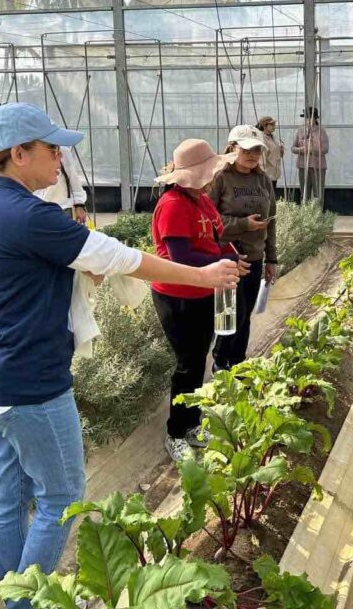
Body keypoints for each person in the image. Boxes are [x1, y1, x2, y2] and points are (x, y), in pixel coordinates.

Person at [0, 104, 238, 604]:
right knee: (61, 495)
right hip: (26, 383)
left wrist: (74, 270)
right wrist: (205, 277)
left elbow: (25, 270)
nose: (61, 157)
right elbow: (117, 256)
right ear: (19, 154)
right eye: (52, 148)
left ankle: (16, 594)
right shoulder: (28, 212)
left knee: (10, 496)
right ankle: (27, 601)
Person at [150, 138, 250, 462]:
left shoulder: (201, 201)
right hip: (178, 296)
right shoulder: (173, 205)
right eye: (207, 174)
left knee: (198, 361)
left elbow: (214, 242)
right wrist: (221, 265)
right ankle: (176, 432)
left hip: (206, 290)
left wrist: (233, 257)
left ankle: (192, 424)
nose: (211, 180)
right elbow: (180, 258)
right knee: (188, 364)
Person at [211, 125, 278, 372]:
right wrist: (242, 224)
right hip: (227, 257)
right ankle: (220, 362)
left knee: (245, 314)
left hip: (254, 256)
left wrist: (272, 259)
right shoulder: (220, 178)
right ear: (232, 148)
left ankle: (238, 362)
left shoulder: (263, 180)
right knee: (229, 313)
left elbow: (272, 221)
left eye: (257, 150)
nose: (252, 155)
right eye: (246, 149)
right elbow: (209, 219)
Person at [0, 100, 89, 223]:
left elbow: (72, 176)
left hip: (61, 206)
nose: (59, 155)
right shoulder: (25, 215)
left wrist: (79, 204)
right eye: (52, 147)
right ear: (19, 155)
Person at [292, 106, 329, 204]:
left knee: (318, 192)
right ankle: (305, 214)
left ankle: (318, 213)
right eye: (307, 118)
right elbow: (293, 148)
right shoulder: (300, 130)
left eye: (311, 117)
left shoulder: (321, 131)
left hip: (318, 166)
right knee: (304, 192)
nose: (309, 120)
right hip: (303, 165)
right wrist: (302, 150)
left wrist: (313, 150)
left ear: (316, 118)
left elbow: (325, 149)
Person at [256, 116, 284, 195]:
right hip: (266, 174)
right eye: (271, 124)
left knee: (272, 195)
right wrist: (262, 173)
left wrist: (281, 149)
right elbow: (262, 158)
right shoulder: (262, 138)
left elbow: (277, 154)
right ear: (265, 125)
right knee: (267, 195)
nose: (274, 126)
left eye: (274, 124)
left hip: (274, 172)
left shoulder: (273, 137)